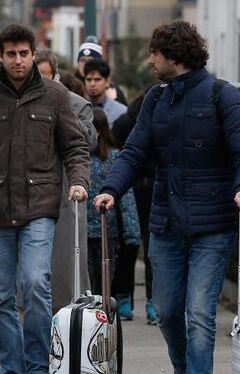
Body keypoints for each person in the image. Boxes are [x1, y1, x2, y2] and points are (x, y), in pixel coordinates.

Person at [94, 21, 240, 374]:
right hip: (166, 224)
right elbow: (134, 152)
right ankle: (183, 367)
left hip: (213, 226)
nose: (149, 61)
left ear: (173, 55)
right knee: (168, 311)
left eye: (153, 53)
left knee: (200, 314)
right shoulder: (156, 99)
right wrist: (111, 189)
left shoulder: (222, 95)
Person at [0, 24, 90, 373]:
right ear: (0, 56)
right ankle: (13, 367)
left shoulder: (55, 95)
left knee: (35, 283)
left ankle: (37, 364)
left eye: (23, 53)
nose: (17, 60)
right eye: (10, 54)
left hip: (40, 205)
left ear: (33, 53)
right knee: (1, 297)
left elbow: (74, 146)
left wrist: (79, 181)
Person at [34, 48, 96, 312]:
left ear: (57, 76)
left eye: (48, 77)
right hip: (28, 196)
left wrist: (61, 109)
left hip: (64, 198)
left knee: (66, 265)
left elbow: (90, 140)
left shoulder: (76, 104)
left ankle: (69, 321)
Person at [85, 108, 141, 320]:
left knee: (105, 279)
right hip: (81, 232)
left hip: (106, 231)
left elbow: (126, 200)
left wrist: (132, 233)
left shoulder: (114, 157)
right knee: (87, 280)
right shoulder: (76, 157)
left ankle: (103, 319)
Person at [111, 89, 159, 324]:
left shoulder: (131, 120)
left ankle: (149, 301)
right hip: (131, 190)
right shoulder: (127, 122)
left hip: (151, 189)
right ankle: (126, 298)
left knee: (147, 248)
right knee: (130, 246)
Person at [75, 35, 128, 106]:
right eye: (82, 60)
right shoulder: (70, 85)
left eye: (90, 60)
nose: (85, 64)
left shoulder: (113, 90)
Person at [84, 59, 127, 125]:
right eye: (89, 80)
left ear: (107, 81)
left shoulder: (121, 112)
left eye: (97, 79)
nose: (92, 84)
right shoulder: (79, 108)